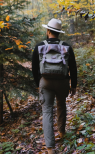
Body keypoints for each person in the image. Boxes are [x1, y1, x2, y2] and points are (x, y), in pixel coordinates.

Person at [32, 18, 77, 154]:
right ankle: (62, 132)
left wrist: (38, 85)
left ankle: (50, 148)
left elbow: (34, 69)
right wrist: (73, 85)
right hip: (63, 81)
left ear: (48, 31)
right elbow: (73, 68)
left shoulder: (39, 46)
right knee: (61, 105)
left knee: (47, 112)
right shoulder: (67, 47)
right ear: (59, 33)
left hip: (45, 82)